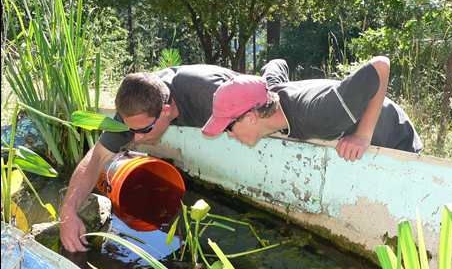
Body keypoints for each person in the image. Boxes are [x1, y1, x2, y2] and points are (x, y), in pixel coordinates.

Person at [60, 63, 287, 252]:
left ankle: (275, 65)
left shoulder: (209, 96)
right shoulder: (136, 110)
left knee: (276, 87)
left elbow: (266, 112)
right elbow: (96, 157)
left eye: (145, 130)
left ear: (166, 111)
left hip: (241, 91)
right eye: (133, 130)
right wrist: (68, 212)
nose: (135, 138)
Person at [201, 56, 423, 161]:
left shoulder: (320, 115)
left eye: (228, 127)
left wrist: (363, 136)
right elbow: (276, 64)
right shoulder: (270, 92)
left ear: (250, 117)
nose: (228, 135)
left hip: (396, 137)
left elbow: (381, 65)